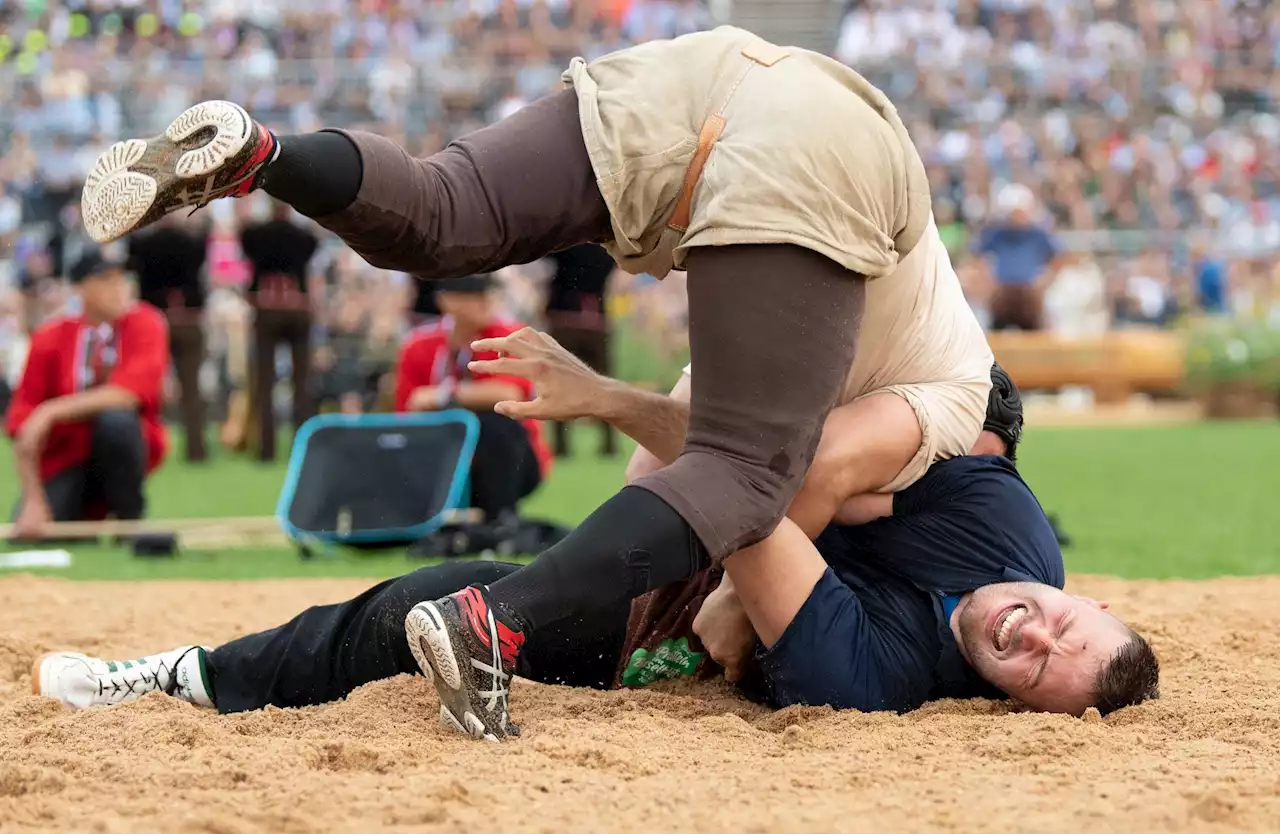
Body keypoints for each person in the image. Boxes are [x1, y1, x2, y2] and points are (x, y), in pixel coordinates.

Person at [80, 27, 991, 739]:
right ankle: (493, 621)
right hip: (829, 136)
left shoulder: (788, 345)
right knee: (751, 474)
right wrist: (718, 597)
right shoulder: (961, 393)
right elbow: (785, 481)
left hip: (698, 76)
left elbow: (670, 475)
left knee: (439, 214)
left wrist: (606, 405)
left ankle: (264, 153)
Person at [31, 381, 1158, 722]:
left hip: (644, 631)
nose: (1030, 629)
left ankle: (186, 677)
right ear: (1081, 593)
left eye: (1033, 665)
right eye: (1063, 618)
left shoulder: (880, 677)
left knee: (414, 608)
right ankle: (197, 671)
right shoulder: (1006, 531)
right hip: (688, 548)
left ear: (1015, 702)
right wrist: (612, 400)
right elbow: (942, 403)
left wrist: (820, 500)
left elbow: (754, 497)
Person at [5, 244, 170, 540]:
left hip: (123, 451)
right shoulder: (50, 338)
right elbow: (21, 425)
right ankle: (80, 517)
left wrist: (51, 410)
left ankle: (130, 520)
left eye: (121, 278)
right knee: (32, 533)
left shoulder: (146, 322)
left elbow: (130, 393)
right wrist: (33, 498)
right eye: (105, 280)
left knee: (116, 420)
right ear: (80, 289)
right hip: (68, 457)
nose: (119, 288)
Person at [395, 275, 551, 524]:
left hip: (513, 460)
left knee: (498, 425)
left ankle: (498, 520)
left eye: (488, 293)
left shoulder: (509, 337)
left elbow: (509, 394)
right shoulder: (419, 345)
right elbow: (408, 409)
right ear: (445, 300)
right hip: (440, 456)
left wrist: (444, 395)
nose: (486, 301)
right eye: (474, 294)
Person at [238, 200, 320, 462]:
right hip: (298, 308)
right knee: (302, 381)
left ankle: (266, 448)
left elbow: (244, 237)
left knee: (264, 380)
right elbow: (312, 246)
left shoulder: (257, 235)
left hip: (266, 308)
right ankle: (304, 445)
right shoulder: (303, 237)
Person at [126, 211, 209, 461]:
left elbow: (131, 258)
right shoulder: (193, 244)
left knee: (145, 387)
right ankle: (196, 450)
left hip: (153, 322)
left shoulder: (143, 244)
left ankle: (143, 446)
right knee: (191, 388)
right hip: (188, 319)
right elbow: (205, 241)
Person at [542, 243, 617, 458]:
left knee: (559, 382)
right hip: (597, 319)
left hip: (563, 317)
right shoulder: (606, 249)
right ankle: (609, 443)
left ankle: (562, 445)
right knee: (604, 383)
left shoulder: (564, 243)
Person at [974, 184, 1062, 332]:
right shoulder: (996, 234)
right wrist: (987, 282)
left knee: (1036, 334)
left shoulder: (1038, 235)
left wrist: (1044, 282)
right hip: (1003, 293)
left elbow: (1058, 258)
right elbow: (976, 257)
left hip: (1029, 294)